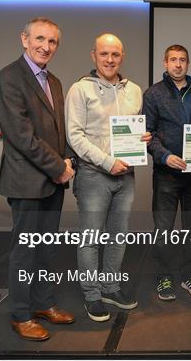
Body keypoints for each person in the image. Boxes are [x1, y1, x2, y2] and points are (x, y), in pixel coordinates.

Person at [0, 17, 75, 341]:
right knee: (25, 250)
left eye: (52, 41)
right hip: (27, 180)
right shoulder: (8, 78)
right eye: (40, 39)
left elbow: (58, 130)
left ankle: (43, 303)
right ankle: (21, 314)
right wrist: (59, 168)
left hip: (52, 180)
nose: (46, 46)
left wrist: (67, 158)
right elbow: (21, 136)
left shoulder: (53, 80)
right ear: (24, 40)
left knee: (46, 249)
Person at [65, 33, 151, 322]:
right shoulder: (80, 89)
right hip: (93, 175)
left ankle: (110, 287)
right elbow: (74, 136)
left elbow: (135, 131)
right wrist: (106, 161)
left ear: (122, 56)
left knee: (118, 235)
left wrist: (144, 138)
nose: (110, 59)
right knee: (90, 238)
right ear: (94, 56)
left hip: (126, 175)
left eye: (115, 54)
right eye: (104, 54)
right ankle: (92, 294)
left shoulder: (135, 90)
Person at [142, 45, 191, 301]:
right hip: (167, 174)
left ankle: (190, 275)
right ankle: (164, 277)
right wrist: (165, 156)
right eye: (173, 60)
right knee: (163, 229)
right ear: (165, 63)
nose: (178, 64)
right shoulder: (153, 93)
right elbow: (148, 134)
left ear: (188, 63)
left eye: (182, 60)